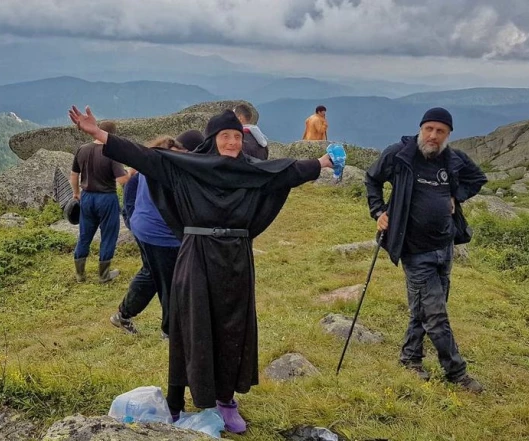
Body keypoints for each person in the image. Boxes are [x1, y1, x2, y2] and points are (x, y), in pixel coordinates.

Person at [68, 106, 335, 434]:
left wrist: (321, 163)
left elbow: (286, 172)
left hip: (236, 258)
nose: (233, 142)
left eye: (238, 136)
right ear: (213, 139)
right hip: (197, 255)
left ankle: (225, 400)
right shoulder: (186, 167)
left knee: (232, 326)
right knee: (190, 324)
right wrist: (98, 134)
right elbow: (144, 157)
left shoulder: (251, 171)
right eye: (226, 136)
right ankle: (177, 402)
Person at [364, 107, 487, 392]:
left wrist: (458, 195)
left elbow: (477, 179)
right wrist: (378, 211)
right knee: (436, 314)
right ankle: (457, 373)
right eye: (429, 128)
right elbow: (371, 179)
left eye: (440, 131)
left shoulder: (454, 159)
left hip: (444, 247)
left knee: (424, 308)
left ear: (448, 135)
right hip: (414, 249)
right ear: (421, 128)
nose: (433, 135)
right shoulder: (400, 154)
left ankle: (410, 358)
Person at [110, 131, 204, 338]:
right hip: (161, 235)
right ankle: (170, 332)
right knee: (172, 282)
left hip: (144, 228)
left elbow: (131, 187)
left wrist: (132, 217)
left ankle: (122, 315)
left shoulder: (156, 157)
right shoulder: (172, 165)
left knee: (152, 273)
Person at [70, 120, 129, 283]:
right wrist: (131, 171)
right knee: (108, 235)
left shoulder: (82, 149)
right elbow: (123, 179)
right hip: (106, 197)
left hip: (87, 197)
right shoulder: (112, 152)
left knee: (84, 235)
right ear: (112, 135)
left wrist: (76, 193)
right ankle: (104, 275)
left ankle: (80, 275)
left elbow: (74, 174)